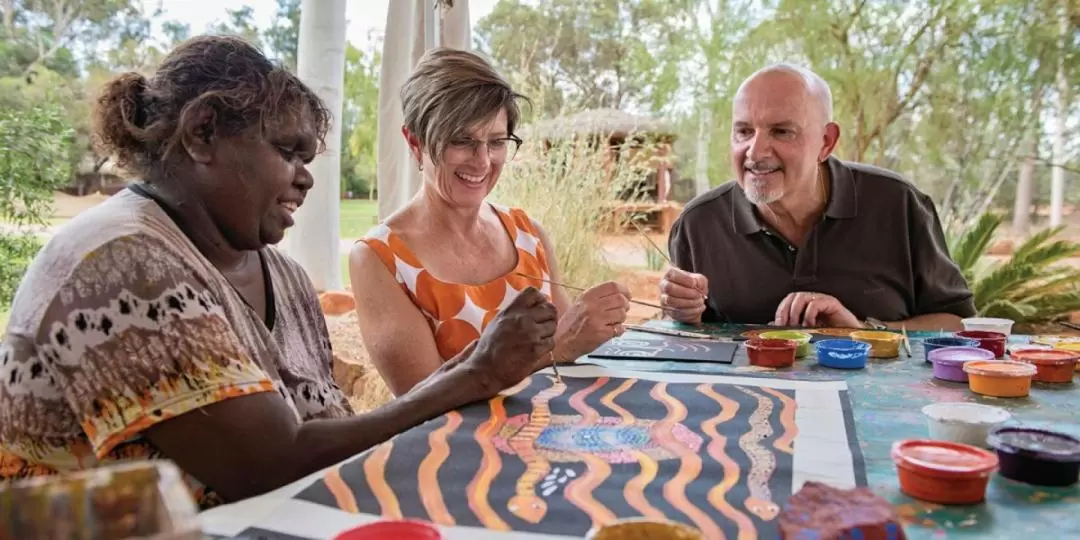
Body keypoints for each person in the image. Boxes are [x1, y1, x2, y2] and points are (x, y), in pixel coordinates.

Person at [0, 36, 559, 509]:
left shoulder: (281, 276)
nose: (305, 179)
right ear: (202, 133)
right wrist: (477, 372)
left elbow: (322, 429)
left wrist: (481, 364)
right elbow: (267, 465)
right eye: (288, 151)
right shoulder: (120, 260)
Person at [349, 48, 631, 396]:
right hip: (457, 448)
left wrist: (597, 323)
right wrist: (562, 346)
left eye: (497, 142)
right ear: (415, 142)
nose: (482, 161)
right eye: (461, 141)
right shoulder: (380, 259)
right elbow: (422, 400)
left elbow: (568, 360)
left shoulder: (529, 234)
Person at [659, 63, 975, 331]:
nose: (755, 152)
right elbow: (682, 339)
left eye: (781, 131)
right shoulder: (698, 224)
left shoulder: (899, 204)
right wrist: (684, 314)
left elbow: (956, 323)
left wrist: (862, 331)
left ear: (826, 141)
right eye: (743, 132)